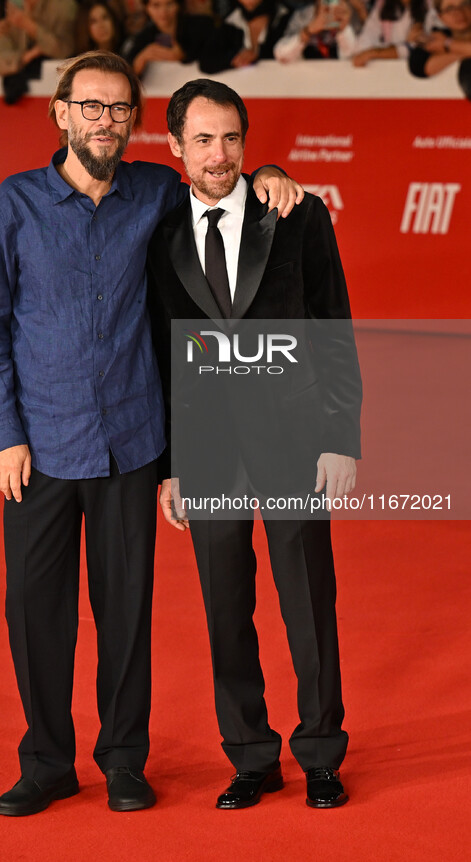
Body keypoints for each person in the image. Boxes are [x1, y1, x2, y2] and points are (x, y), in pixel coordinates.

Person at [0, 49, 302, 818]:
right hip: (41, 447)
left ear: (133, 121)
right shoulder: (14, 205)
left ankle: (123, 759)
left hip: (130, 441)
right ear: (60, 113)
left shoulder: (155, 190)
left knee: (125, 611)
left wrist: (272, 173)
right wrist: (3, 434)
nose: (106, 121)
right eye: (91, 106)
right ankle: (46, 761)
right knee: (35, 612)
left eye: (119, 109)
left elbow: (218, 178)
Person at [146, 78, 361, 810]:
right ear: (174, 146)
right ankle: (249, 755)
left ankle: (321, 754)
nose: (219, 154)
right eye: (202, 139)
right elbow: (159, 353)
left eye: (232, 138)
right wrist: (170, 467)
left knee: (307, 598)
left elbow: (333, 332)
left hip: (295, 440)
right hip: (207, 449)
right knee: (224, 603)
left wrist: (339, 438)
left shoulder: (295, 215)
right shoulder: (159, 230)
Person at [0, 0, 78, 103]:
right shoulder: (13, 6)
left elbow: (63, 49)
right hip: (26, 99)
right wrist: (28, 56)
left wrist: (28, 25)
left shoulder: (62, 2)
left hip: (61, 88)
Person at [123, 0, 214, 77]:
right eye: (156, 5)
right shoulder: (144, 37)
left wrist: (183, 56)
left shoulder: (202, 26)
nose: (163, 12)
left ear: (178, 5)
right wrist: (142, 58)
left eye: (169, 4)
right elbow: (125, 70)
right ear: (146, 8)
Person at [200, 0, 292, 73]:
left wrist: (257, 56)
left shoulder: (284, 17)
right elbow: (206, 62)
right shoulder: (230, 22)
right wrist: (234, 60)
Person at [408, 0, 471, 98]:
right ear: (440, 17)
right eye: (450, 8)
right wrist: (462, 52)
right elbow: (419, 67)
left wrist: (447, 45)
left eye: (465, 4)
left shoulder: (443, 42)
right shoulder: (437, 37)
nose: (459, 12)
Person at [274, 0, 359, 61]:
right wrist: (309, 30)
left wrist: (344, 28)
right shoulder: (303, 16)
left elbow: (353, 56)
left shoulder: (351, 14)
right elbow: (281, 54)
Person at [352, 0, 428, 66]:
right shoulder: (383, 1)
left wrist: (374, 53)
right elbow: (364, 44)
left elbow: (417, 49)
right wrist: (403, 45)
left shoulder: (431, 1)